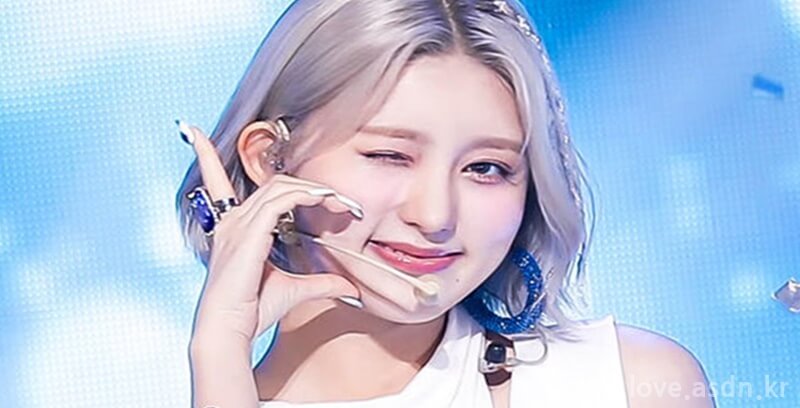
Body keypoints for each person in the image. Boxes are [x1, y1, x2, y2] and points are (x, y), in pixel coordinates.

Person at [175, 0, 715, 406]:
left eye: (486, 168)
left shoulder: (628, 386)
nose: (435, 216)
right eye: (389, 155)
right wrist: (219, 354)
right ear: (270, 159)